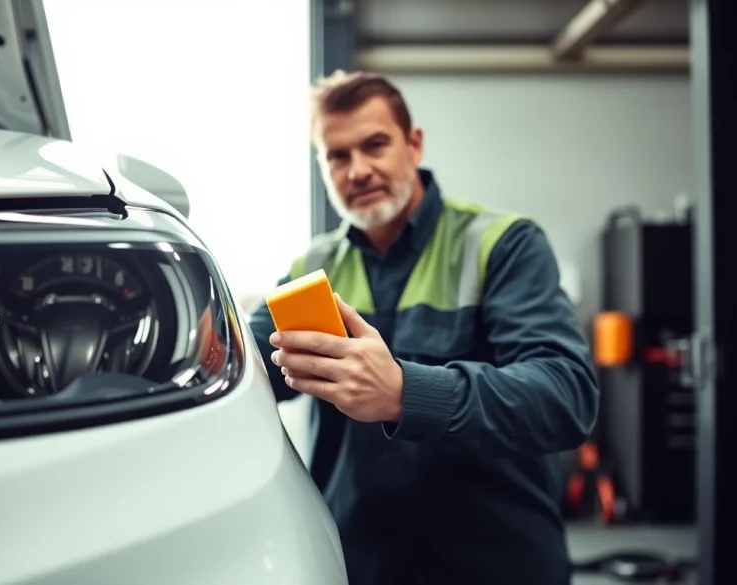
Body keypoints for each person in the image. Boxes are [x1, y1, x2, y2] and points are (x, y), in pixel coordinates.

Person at [247, 70, 600, 585]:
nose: (358, 170)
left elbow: (565, 398)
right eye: (337, 156)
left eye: (375, 145)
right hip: (359, 563)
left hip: (494, 563)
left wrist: (404, 392)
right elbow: (248, 369)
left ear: (414, 145)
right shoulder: (310, 268)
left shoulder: (502, 244)